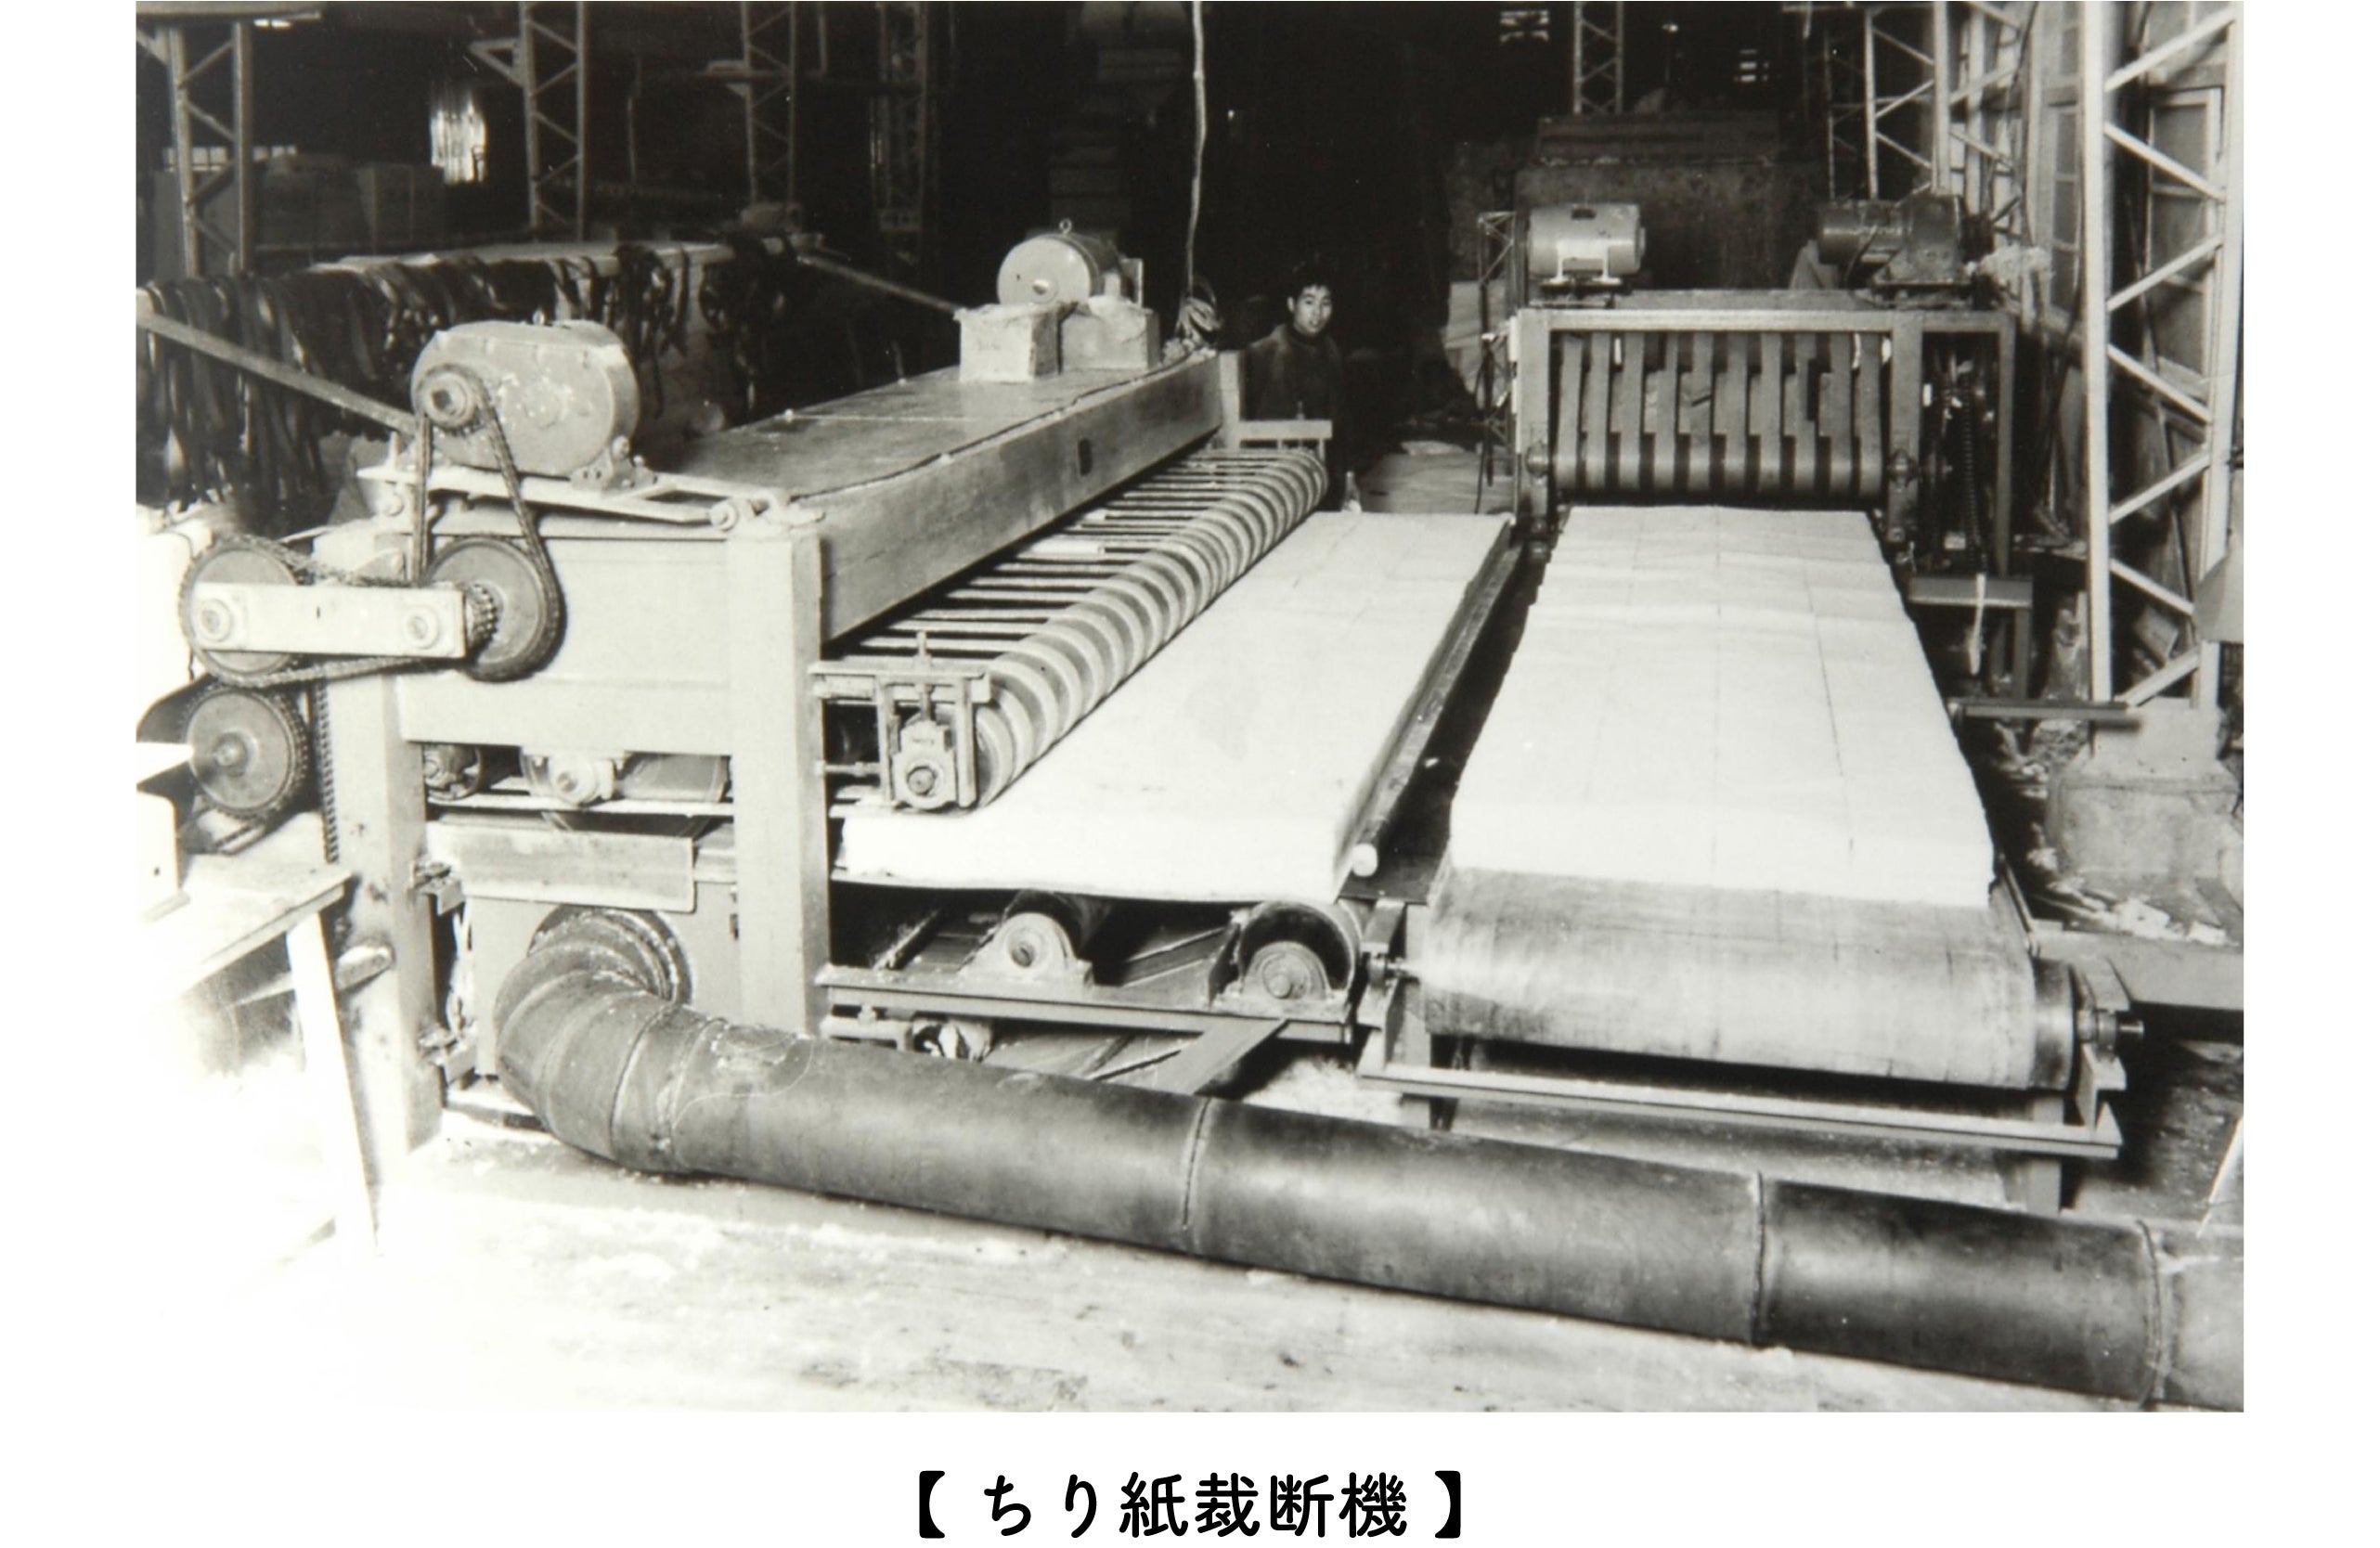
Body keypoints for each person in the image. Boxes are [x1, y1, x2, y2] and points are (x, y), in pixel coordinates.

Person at [1243, 264, 1355, 507]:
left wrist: (1349, 476)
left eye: (1325, 303)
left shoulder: (1330, 348)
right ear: (1291, 304)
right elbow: (1264, 430)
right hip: (1281, 477)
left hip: (1322, 470)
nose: (1318, 313)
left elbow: (1341, 419)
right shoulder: (1272, 351)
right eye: (1309, 302)